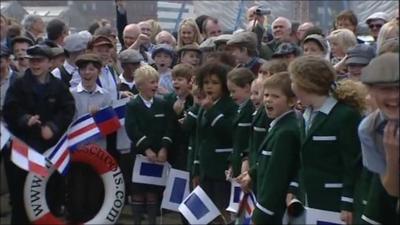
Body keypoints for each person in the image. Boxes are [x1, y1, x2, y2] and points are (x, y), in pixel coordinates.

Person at [3, 44, 75, 224]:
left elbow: (68, 110)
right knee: (20, 200)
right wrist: (25, 119)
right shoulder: (18, 84)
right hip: (22, 149)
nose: (35, 65)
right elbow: (9, 110)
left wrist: (53, 126)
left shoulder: (59, 87)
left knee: (49, 196)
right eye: (32, 61)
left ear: (50, 63)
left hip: (48, 150)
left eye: (40, 61)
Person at [288, 56, 364, 225]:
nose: (291, 86)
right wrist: (294, 187)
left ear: (305, 84)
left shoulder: (345, 115)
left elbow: (352, 164)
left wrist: (347, 201)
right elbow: (301, 158)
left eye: (293, 81)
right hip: (307, 198)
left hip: (333, 201)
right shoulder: (304, 115)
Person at [239, 72, 301, 224]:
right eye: (266, 95)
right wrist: (252, 173)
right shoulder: (278, 126)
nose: (268, 100)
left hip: (272, 212)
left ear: (292, 100)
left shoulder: (286, 131)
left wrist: (262, 213)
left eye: (275, 96)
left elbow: (276, 177)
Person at [125, 65, 174, 225]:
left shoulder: (162, 103)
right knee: (138, 190)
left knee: (153, 190)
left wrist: (163, 148)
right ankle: (138, 222)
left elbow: (169, 126)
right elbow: (132, 129)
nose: (155, 86)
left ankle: (152, 221)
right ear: (140, 85)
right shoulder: (133, 105)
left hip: (158, 155)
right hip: (140, 155)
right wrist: (146, 149)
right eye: (152, 82)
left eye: (156, 82)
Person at [68, 53, 113, 221]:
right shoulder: (71, 94)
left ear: (98, 72)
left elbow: (110, 125)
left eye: (91, 69)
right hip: (77, 151)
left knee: (94, 191)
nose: (87, 72)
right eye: (83, 69)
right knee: (77, 191)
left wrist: (98, 117)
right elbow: (68, 122)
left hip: (98, 151)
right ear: (79, 72)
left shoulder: (106, 95)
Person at [192, 63, 237, 222]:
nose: (209, 86)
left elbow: (230, 133)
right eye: (206, 82)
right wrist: (196, 168)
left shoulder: (230, 105)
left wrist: (212, 111)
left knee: (222, 211)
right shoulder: (204, 105)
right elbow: (199, 138)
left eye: (215, 82)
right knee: (206, 212)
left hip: (221, 169)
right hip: (205, 168)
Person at [358, 53, 399, 224]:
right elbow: (392, 189)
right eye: (385, 89)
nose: (394, 96)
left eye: (399, 87)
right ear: (371, 92)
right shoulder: (369, 129)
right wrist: (392, 154)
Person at [164, 63, 195, 170]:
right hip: (174, 148)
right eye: (174, 79)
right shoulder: (168, 99)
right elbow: (167, 126)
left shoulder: (194, 100)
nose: (175, 82)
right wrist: (175, 115)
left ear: (190, 82)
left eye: (180, 79)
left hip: (189, 147)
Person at [226, 68, 255, 179]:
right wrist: (232, 163)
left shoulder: (251, 110)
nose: (231, 95)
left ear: (247, 87)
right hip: (237, 164)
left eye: (233, 91)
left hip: (246, 166)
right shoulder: (239, 109)